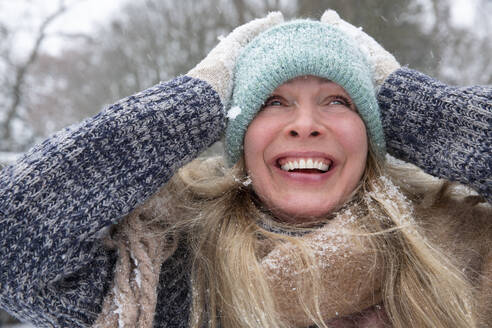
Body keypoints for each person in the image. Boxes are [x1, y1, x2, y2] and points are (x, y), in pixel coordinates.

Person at [0, 10, 490, 328]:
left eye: (338, 101)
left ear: (374, 130)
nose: (305, 124)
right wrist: (191, 104)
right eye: (272, 102)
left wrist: (415, 106)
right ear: (234, 131)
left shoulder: (460, 251)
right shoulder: (167, 270)